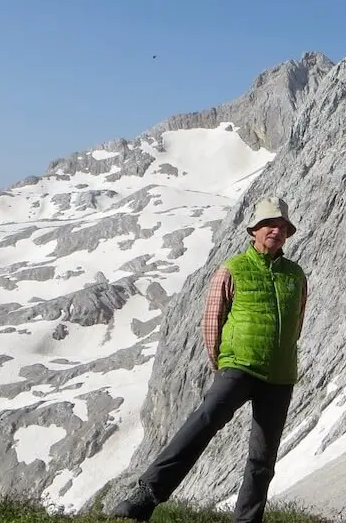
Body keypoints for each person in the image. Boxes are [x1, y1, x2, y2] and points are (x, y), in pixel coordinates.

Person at [111, 196, 308, 523]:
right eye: (269, 224)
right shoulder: (233, 269)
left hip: (280, 376)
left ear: (287, 234)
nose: (276, 230)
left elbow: (297, 323)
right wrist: (222, 362)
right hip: (239, 367)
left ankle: (247, 520)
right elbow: (212, 320)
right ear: (254, 230)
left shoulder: (295, 275)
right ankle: (145, 497)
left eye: (282, 226)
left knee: (262, 458)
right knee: (203, 422)